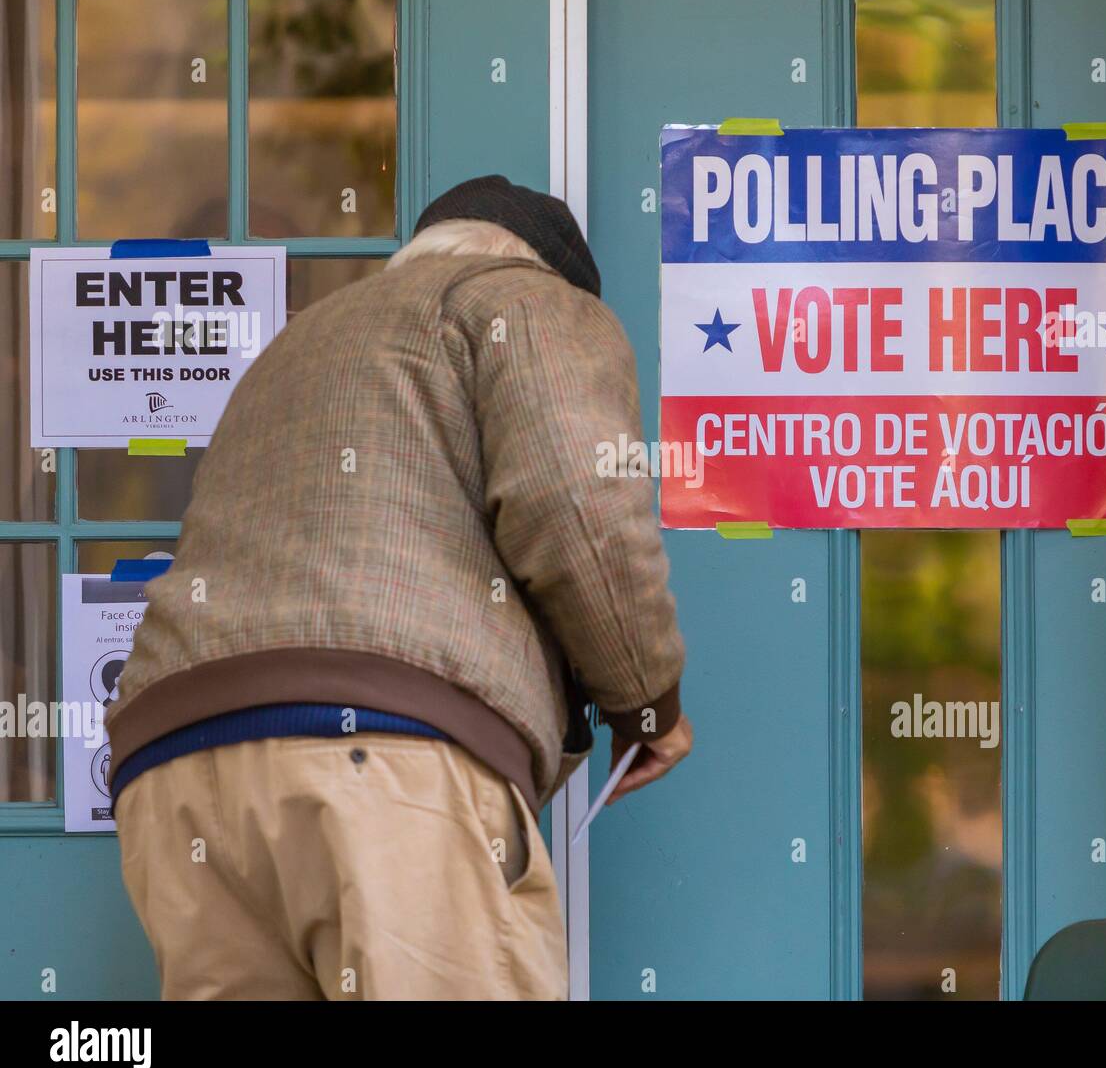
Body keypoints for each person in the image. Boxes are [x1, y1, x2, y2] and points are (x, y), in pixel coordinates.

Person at [107, 175, 691, 1001]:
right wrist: (646, 705)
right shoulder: (522, 302)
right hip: (375, 763)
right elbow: (579, 505)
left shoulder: (295, 347)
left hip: (176, 776)